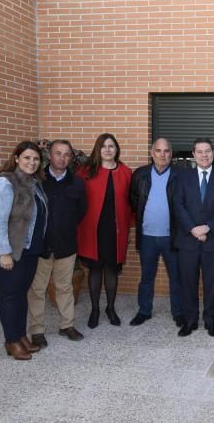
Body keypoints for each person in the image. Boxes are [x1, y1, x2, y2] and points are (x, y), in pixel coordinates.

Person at [0, 141, 48, 360]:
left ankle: (20, 336)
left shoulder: (33, 182)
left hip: (29, 249)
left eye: (36, 159)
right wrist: (3, 252)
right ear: (16, 158)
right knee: (10, 295)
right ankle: (11, 341)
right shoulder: (3, 183)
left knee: (20, 294)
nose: (32, 162)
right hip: (9, 250)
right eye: (27, 157)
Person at [27, 140, 87, 348]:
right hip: (40, 246)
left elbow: (81, 212)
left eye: (66, 154)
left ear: (70, 158)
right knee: (36, 290)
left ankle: (66, 325)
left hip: (66, 245)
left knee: (64, 288)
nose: (62, 158)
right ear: (49, 156)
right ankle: (36, 331)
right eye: (57, 153)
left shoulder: (77, 183)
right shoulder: (37, 180)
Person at [173, 138, 214, 337]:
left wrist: (208, 227)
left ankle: (210, 319)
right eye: (200, 151)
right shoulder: (183, 177)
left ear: (213, 153)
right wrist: (193, 229)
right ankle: (190, 320)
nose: (204, 155)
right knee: (188, 282)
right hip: (188, 240)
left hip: (213, 240)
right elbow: (178, 206)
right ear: (193, 154)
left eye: (208, 151)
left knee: (211, 283)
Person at [76, 133, 133, 329]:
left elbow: (131, 203)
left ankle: (110, 308)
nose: (108, 150)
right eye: (104, 146)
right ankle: (95, 310)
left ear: (117, 149)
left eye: (111, 146)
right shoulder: (86, 171)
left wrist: (129, 228)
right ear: (97, 149)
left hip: (115, 230)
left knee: (111, 270)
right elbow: (76, 201)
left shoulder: (125, 172)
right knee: (95, 269)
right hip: (92, 229)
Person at [129, 137, 184, 327]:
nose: (163, 155)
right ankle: (144, 311)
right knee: (146, 277)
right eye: (158, 151)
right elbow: (134, 200)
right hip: (147, 237)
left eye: (166, 151)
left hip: (172, 237)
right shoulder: (140, 175)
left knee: (176, 277)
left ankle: (178, 312)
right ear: (152, 153)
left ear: (171, 153)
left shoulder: (181, 175)